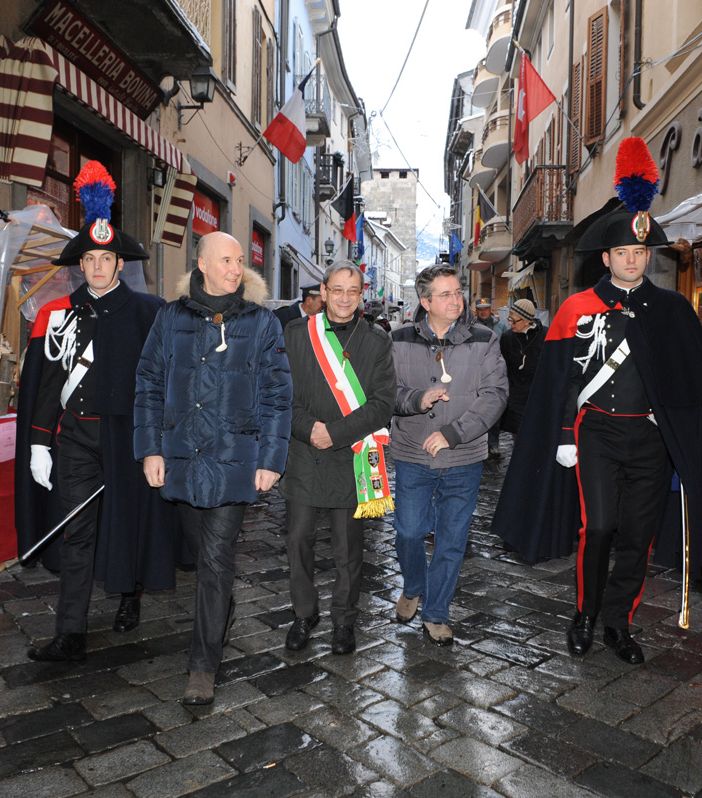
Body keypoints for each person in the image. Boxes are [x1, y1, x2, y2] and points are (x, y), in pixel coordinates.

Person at [493, 137, 702, 665]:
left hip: (650, 439)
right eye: (623, 253)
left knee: (637, 536)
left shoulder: (673, 309)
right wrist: (565, 434)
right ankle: (585, 614)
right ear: (606, 258)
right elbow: (561, 383)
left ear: (647, 256)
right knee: (600, 526)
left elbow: (688, 381)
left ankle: (618, 622)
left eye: (640, 253)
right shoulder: (577, 308)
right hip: (598, 434)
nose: (632, 261)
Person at [21, 161, 173, 663]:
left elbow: (162, 382)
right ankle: (71, 631)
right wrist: (39, 442)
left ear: (119, 263)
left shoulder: (149, 312)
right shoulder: (57, 314)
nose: (98, 267)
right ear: (80, 265)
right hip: (76, 440)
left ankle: (129, 596)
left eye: (106, 258)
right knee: (77, 532)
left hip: (128, 437)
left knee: (126, 522)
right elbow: (47, 384)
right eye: (90, 259)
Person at [134, 231, 291, 704]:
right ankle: (221, 608)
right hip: (181, 457)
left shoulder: (262, 323)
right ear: (201, 264)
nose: (236, 269)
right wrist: (150, 450)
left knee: (216, 558)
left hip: (234, 459)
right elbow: (149, 383)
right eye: (226, 260)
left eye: (240, 260)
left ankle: (202, 666)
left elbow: (277, 396)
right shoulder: (170, 317)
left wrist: (271, 460)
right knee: (201, 553)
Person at [281, 260, 395, 655]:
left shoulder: (377, 340)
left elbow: (383, 403)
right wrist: (308, 428)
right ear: (324, 292)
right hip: (304, 453)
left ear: (361, 295)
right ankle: (304, 613)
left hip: (352, 455)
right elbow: (280, 393)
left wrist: (335, 433)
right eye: (337, 290)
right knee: (298, 539)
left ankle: (344, 620)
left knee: (348, 548)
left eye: (353, 291)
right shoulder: (297, 334)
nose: (345, 298)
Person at [391, 266, 507, 646]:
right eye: (445, 294)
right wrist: (416, 400)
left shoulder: (484, 339)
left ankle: (436, 612)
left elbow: (495, 395)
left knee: (452, 539)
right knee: (409, 531)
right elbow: (385, 391)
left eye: (458, 292)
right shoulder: (399, 339)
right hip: (412, 453)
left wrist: (454, 433)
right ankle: (413, 585)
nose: (456, 300)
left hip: (463, 457)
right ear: (425, 302)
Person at [499, 299, 547, 435]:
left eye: (514, 321)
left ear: (527, 320)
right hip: (516, 399)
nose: (510, 324)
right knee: (519, 437)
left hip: (540, 397)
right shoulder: (507, 337)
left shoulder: (546, 335)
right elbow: (503, 369)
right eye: (509, 319)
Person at [474, 297, 506, 457]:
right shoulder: (470, 326)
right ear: (476, 311)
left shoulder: (500, 326)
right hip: (476, 372)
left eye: (485, 308)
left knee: (494, 407)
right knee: (477, 408)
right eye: (480, 309)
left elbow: (506, 345)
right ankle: (478, 443)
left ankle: (493, 443)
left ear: (490, 309)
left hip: (495, 370)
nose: (483, 311)